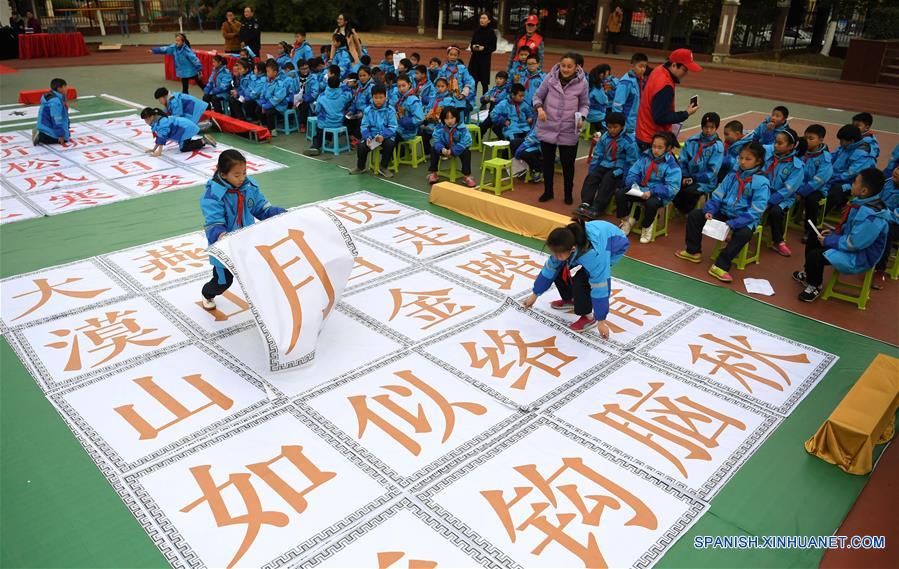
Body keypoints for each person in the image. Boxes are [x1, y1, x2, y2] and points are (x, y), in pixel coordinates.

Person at [200, 150, 286, 310]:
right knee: (223, 281)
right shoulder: (213, 196)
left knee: (260, 273)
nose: (242, 178)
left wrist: (280, 213)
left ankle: (267, 306)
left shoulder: (249, 187)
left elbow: (261, 208)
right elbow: (214, 222)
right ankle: (207, 293)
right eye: (237, 175)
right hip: (226, 245)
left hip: (248, 241)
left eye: (244, 173)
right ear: (223, 174)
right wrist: (222, 235)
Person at [676, 141, 770, 283]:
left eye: (748, 159)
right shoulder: (733, 175)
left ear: (758, 161)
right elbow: (718, 194)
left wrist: (733, 224)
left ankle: (720, 265)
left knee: (744, 234)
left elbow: (755, 211)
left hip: (743, 219)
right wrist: (710, 210)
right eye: (741, 158)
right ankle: (693, 251)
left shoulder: (762, 183)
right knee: (696, 215)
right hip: (724, 212)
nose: (742, 162)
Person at [794, 168, 889, 302]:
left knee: (815, 256)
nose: (852, 185)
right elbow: (850, 228)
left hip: (860, 256)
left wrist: (829, 241)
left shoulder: (872, 217)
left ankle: (815, 285)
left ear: (864, 191)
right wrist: (834, 234)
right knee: (814, 236)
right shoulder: (860, 203)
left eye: (855, 182)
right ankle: (809, 274)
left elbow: (854, 243)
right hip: (851, 245)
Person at [522, 219, 630, 336]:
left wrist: (601, 321)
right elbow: (549, 270)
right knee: (558, 268)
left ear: (572, 249)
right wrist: (534, 295)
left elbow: (601, 287)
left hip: (615, 245)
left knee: (581, 280)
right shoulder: (563, 245)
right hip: (597, 237)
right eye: (554, 253)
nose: (556, 256)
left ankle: (588, 316)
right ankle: (570, 299)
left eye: (559, 254)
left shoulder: (593, 256)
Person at [533, 52, 589, 205]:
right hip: (548, 126)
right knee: (548, 162)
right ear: (559, 65)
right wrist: (540, 109)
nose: (565, 69)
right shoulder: (550, 78)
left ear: (576, 67)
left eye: (569, 66)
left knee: (567, 164)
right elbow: (537, 96)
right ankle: (548, 192)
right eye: (563, 65)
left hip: (569, 129)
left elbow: (585, 104)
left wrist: (582, 117)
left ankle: (568, 194)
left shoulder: (582, 83)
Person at [807, 124, 876, 228]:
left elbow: (851, 173)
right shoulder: (845, 147)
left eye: (842, 140)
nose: (840, 143)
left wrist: (832, 177)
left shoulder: (863, 154)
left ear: (851, 141)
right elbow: (832, 157)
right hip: (835, 177)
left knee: (836, 190)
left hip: (851, 183)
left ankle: (819, 217)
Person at [619, 131, 682, 243]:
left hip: (659, 195)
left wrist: (652, 192)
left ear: (668, 148)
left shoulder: (672, 166)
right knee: (620, 194)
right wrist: (634, 185)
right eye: (654, 146)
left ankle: (647, 226)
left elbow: (672, 188)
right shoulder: (645, 157)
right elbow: (633, 172)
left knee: (651, 204)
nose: (655, 150)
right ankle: (627, 220)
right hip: (641, 190)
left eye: (660, 147)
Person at [635, 48, 700, 150]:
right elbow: (660, 118)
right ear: (674, 65)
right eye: (684, 69)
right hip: (653, 140)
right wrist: (686, 113)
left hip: (644, 132)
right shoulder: (665, 86)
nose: (686, 73)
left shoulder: (659, 69)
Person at [577, 112, 638, 218]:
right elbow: (597, 155)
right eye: (609, 127)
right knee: (592, 177)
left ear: (622, 126)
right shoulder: (605, 137)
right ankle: (585, 203)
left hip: (619, 168)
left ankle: (598, 207)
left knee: (608, 179)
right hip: (605, 164)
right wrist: (592, 169)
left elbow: (631, 162)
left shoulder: (629, 141)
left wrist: (625, 178)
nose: (612, 130)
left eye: (615, 127)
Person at [761, 127, 806, 257]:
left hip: (783, 198)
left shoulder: (796, 166)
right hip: (764, 191)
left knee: (776, 212)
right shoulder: (769, 156)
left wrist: (769, 201)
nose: (775, 145)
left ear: (791, 146)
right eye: (775, 141)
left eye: (780, 143)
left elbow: (788, 190)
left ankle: (778, 241)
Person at [675, 112, 724, 214]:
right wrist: (684, 176)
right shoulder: (692, 141)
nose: (708, 130)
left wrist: (694, 179)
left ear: (716, 128)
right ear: (702, 127)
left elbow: (712, 172)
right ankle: (680, 208)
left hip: (705, 181)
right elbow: (682, 161)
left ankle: (687, 211)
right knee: (673, 185)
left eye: (712, 127)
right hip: (688, 176)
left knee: (689, 192)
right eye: (706, 127)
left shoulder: (717, 147)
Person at [350, 84, 397, 177]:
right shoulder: (368, 110)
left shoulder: (390, 110)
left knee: (390, 144)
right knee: (361, 147)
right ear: (372, 97)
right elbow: (364, 126)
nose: (378, 100)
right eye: (376, 97)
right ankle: (361, 167)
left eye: (381, 97)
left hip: (384, 137)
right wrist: (367, 137)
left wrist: (383, 135)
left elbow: (393, 126)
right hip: (372, 138)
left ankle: (383, 167)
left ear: (385, 97)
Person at [796, 124, 833, 240]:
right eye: (806, 138)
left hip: (816, 189)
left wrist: (801, 192)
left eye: (811, 139)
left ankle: (810, 231)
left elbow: (819, 181)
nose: (807, 141)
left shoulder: (825, 158)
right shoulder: (802, 151)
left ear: (821, 140)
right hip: (799, 185)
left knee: (811, 200)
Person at [427, 107, 477, 187]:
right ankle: (433, 173)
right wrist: (442, 148)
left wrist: (453, 150)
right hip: (445, 147)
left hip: (457, 147)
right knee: (433, 149)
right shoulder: (440, 127)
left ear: (456, 118)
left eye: (452, 118)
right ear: (443, 119)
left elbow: (466, 141)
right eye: (446, 118)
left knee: (467, 152)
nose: (449, 121)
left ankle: (467, 176)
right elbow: (436, 139)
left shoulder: (462, 128)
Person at [304, 75, 353, 156]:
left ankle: (315, 146)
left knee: (320, 128)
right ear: (339, 84)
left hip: (325, 122)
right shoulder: (343, 96)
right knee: (329, 121)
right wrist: (345, 85)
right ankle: (327, 140)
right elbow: (350, 95)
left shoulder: (322, 96)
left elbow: (317, 110)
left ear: (328, 84)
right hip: (339, 122)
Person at [141, 107, 215, 155]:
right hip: (183, 128)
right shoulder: (158, 121)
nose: (146, 121)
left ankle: (203, 141)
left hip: (185, 129)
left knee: (183, 148)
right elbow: (159, 137)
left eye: (146, 119)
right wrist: (153, 149)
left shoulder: (161, 123)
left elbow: (162, 138)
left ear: (151, 117)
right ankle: (203, 137)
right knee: (184, 144)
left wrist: (159, 152)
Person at [873, 165, 898, 288]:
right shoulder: (887, 183)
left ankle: (879, 270)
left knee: (885, 231)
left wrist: (879, 215)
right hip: (882, 216)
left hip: (895, 223)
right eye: (898, 168)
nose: (897, 172)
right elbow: (874, 199)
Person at [612, 53, 648, 133]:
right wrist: (619, 124)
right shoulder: (626, 82)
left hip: (635, 123)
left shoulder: (640, 80)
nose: (643, 69)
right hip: (626, 125)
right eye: (640, 66)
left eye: (645, 66)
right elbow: (617, 105)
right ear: (632, 66)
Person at [420, 77, 454, 154]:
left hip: (443, 125)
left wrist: (440, 118)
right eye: (438, 86)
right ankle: (427, 151)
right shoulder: (433, 98)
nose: (440, 88)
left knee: (443, 134)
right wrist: (427, 115)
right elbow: (428, 108)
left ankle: (446, 150)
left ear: (447, 87)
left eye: (442, 86)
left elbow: (451, 113)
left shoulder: (449, 100)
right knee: (423, 133)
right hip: (431, 123)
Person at [33, 78, 70, 146]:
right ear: (59, 89)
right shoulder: (55, 102)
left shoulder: (52, 95)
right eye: (65, 87)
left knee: (67, 134)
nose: (67, 88)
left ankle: (42, 132)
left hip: (44, 124)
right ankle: (41, 137)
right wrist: (60, 135)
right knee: (65, 139)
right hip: (48, 126)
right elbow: (56, 119)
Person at [468, 12, 497, 98]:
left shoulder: (491, 32)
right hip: (475, 60)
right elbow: (472, 43)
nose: (482, 20)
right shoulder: (476, 31)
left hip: (485, 60)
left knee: (484, 83)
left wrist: (483, 48)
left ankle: (484, 101)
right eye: (481, 18)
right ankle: (472, 99)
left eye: (484, 18)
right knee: (474, 81)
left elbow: (493, 47)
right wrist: (473, 47)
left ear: (489, 21)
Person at [258, 60, 289, 135]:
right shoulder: (267, 82)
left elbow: (277, 98)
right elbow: (262, 93)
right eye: (266, 71)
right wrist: (263, 103)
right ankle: (265, 126)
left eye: (268, 71)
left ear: (275, 73)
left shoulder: (280, 84)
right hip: (269, 104)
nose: (267, 73)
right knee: (257, 109)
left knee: (269, 112)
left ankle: (272, 130)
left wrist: (266, 106)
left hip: (280, 105)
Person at [394, 73, 424, 145]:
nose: (401, 88)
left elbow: (419, 119)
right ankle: (370, 146)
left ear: (409, 84)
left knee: (387, 140)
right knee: (380, 134)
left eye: (403, 85)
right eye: (399, 86)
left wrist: (402, 120)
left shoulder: (413, 100)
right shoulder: (400, 98)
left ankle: (396, 153)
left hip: (407, 132)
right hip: (398, 128)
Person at [585, 64, 612, 135]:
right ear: (601, 75)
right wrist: (605, 93)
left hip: (586, 112)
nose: (607, 76)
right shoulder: (597, 87)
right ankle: (601, 134)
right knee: (614, 116)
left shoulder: (588, 82)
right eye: (607, 74)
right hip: (596, 116)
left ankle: (595, 132)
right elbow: (604, 101)